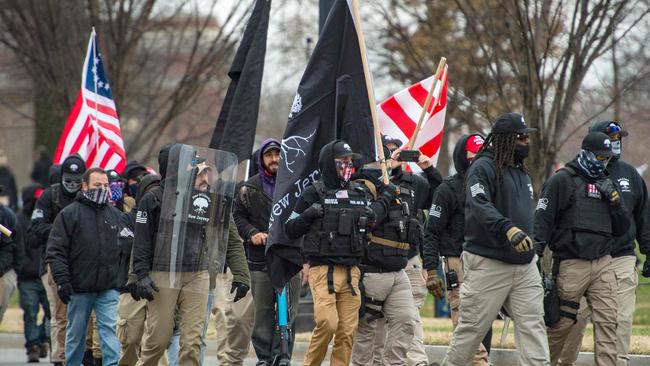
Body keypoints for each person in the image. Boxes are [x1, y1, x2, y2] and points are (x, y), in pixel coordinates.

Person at [440, 112, 549, 365]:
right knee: (471, 332)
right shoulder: (482, 167)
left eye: (527, 137)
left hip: (524, 266)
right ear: (505, 140)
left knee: (533, 325)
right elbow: (480, 205)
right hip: (489, 263)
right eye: (521, 137)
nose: (526, 142)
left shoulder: (520, 170)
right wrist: (507, 228)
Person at [131, 144, 250, 366]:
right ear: (174, 166)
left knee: (193, 342)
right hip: (163, 274)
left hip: (198, 273)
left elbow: (231, 238)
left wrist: (242, 275)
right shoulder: (153, 199)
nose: (194, 168)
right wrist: (140, 275)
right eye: (189, 162)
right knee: (158, 340)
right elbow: (141, 241)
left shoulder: (208, 199)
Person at [285, 140, 396, 366]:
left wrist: (386, 194)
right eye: (342, 161)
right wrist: (311, 213)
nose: (348, 165)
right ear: (329, 162)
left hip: (352, 273)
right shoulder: (313, 192)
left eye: (350, 161)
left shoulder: (358, 191)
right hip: (322, 270)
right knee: (328, 323)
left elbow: (372, 217)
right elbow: (290, 228)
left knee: (347, 331)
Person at [557, 121, 650, 366]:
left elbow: (643, 216)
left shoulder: (630, 175)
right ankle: (561, 362)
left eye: (618, 137)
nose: (615, 142)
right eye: (610, 137)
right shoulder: (574, 175)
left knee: (618, 322)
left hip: (620, 257)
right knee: (570, 323)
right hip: (582, 257)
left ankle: (617, 362)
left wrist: (648, 250)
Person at [535, 131, 631, 366]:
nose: (604, 162)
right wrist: (534, 256)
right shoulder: (562, 180)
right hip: (571, 262)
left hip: (603, 263)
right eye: (599, 158)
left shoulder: (608, 184)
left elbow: (622, 229)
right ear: (586, 153)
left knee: (609, 324)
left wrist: (616, 201)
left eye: (607, 158)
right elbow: (542, 220)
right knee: (561, 324)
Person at [371, 135, 443, 366]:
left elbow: (441, 197)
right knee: (378, 323)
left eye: (398, 152)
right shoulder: (371, 182)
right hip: (377, 264)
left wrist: (429, 169)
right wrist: (386, 174)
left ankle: (416, 363)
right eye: (390, 152)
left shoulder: (416, 183)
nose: (396, 156)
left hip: (409, 261)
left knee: (408, 319)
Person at [423, 134, 491, 365]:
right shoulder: (447, 189)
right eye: (473, 157)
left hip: (488, 260)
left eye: (482, 156)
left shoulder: (491, 186)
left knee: (484, 320)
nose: (478, 162)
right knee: (464, 318)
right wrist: (431, 269)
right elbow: (431, 230)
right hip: (457, 262)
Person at [233, 139, 301, 366]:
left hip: (289, 258)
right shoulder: (248, 188)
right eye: (269, 155)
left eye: (277, 154)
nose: (274, 159)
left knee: (288, 311)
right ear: (261, 159)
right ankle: (264, 358)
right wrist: (251, 232)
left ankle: (283, 356)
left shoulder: (294, 186)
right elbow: (237, 217)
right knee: (262, 312)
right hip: (259, 259)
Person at [46, 167, 123, 366]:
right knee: (76, 336)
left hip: (108, 287)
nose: (103, 189)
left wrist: (121, 280)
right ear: (85, 186)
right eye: (97, 185)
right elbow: (56, 250)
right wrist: (62, 281)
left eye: (106, 185)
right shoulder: (69, 215)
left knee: (110, 332)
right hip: (79, 288)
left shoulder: (115, 215)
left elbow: (124, 250)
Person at [31, 154, 86, 366]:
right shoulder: (48, 196)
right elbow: (35, 228)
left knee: (83, 315)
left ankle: (83, 355)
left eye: (77, 180)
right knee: (60, 314)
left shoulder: (88, 194)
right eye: (68, 180)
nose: (72, 185)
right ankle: (59, 358)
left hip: (82, 262)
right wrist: (61, 230)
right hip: (53, 260)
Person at [16, 184, 51, 362]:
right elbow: (18, 249)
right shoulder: (19, 221)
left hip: (44, 273)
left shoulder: (45, 219)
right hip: (27, 277)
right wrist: (24, 267)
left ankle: (43, 337)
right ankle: (33, 347)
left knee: (51, 312)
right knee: (30, 311)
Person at [1, 195, 24, 322]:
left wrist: (16, 269)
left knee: (1, 305)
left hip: (4, 270)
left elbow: (9, 244)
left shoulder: (7, 216)